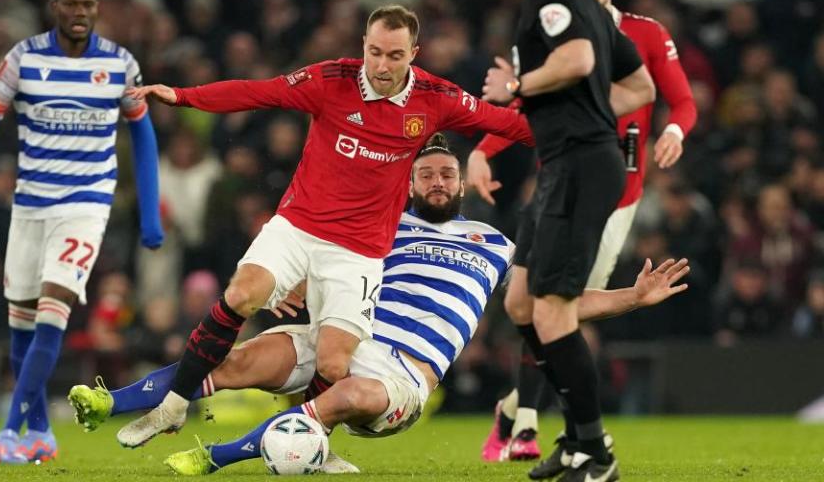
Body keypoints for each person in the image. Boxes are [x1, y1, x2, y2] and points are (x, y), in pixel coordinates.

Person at [66, 134, 690, 475]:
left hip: (402, 373)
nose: (439, 183)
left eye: (447, 174)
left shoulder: (496, 244)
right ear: (411, 184)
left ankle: (213, 459)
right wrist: (292, 288)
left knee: (349, 397)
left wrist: (632, 297)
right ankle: (109, 403)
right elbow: (323, 262)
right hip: (343, 334)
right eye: (427, 176)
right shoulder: (381, 227)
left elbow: (557, 305)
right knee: (233, 361)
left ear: (462, 183)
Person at [116, 5, 535, 448]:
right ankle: (173, 406)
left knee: (335, 365)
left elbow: (512, 124)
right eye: (375, 52)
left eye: (394, 55)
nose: (381, 65)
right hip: (299, 225)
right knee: (243, 293)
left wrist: (583, 126)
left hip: (359, 250)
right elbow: (259, 92)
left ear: (414, 53)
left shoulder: (436, 97)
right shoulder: (331, 80)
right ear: (363, 46)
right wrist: (183, 96)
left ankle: (310, 443)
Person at [472, 0, 698, 464]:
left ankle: (529, 420)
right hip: (557, 180)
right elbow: (525, 108)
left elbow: (678, 98)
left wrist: (674, 131)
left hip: (617, 195)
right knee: (535, 302)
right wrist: (484, 150)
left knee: (559, 306)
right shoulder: (556, 32)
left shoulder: (644, 33)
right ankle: (530, 424)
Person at [0, 0, 163, 464]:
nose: (80, 13)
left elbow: (143, 135)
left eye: (88, 5)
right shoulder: (24, 58)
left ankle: (10, 431)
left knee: (54, 311)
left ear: (97, 9)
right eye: (71, 4)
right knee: (20, 327)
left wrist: (150, 214)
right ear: (55, 6)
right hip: (30, 205)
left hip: (85, 206)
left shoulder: (120, 64)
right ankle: (43, 434)